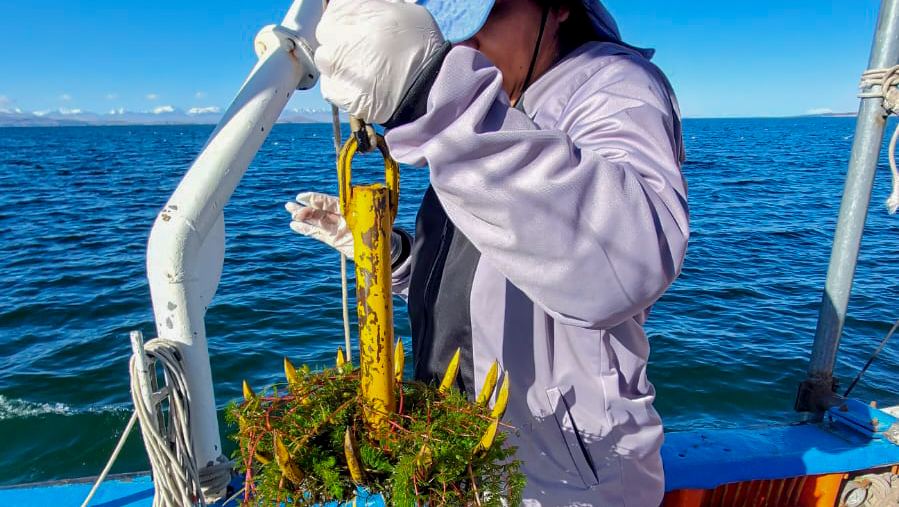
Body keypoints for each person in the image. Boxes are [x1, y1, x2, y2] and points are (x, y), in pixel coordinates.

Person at [286, 0, 688, 505]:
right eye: (450, 28)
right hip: (457, 452)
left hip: (565, 481)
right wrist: (391, 257)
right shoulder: (490, 105)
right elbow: (479, 270)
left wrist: (435, 98)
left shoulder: (615, 82)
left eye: (484, 13)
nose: (465, 44)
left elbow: (627, 265)